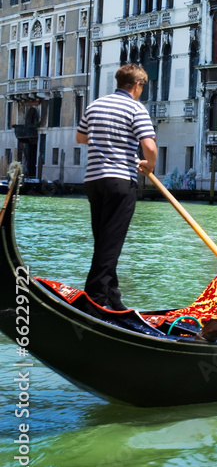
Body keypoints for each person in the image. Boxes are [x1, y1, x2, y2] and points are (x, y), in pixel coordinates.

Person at [75, 64, 157, 310]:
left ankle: (112, 297)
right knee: (110, 243)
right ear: (137, 85)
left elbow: (80, 137)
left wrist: (105, 141)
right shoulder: (135, 108)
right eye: (142, 87)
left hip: (94, 181)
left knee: (104, 240)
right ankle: (95, 300)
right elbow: (149, 147)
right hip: (120, 180)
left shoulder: (95, 105)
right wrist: (149, 165)